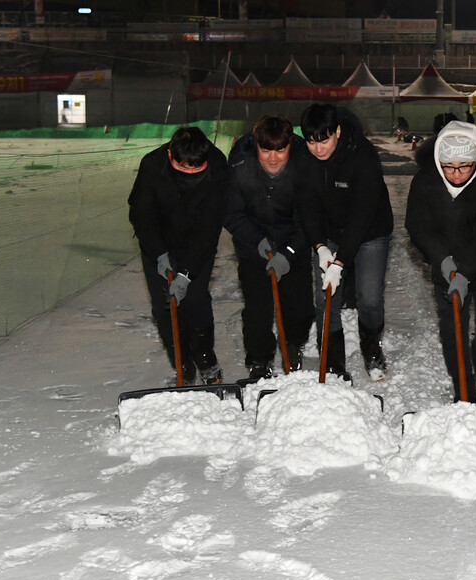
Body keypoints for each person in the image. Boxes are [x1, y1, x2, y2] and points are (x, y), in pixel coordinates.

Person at [405, 120, 476, 403]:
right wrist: (443, 261)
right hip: (447, 266)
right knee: (452, 330)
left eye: (464, 166)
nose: (456, 174)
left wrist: (465, 273)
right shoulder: (426, 180)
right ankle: (463, 391)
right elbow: (418, 225)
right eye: (449, 167)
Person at [295, 104, 394, 381]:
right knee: (325, 297)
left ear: (337, 131)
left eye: (324, 140)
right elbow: (306, 205)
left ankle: (372, 349)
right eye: (311, 142)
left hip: (370, 232)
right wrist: (320, 247)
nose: (318, 149)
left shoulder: (362, 156)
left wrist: (340, 262)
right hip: (328, 232)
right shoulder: (304, 157)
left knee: (369, 298)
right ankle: (333, 362)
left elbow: (362, 215)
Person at [128, 126, 228, 386]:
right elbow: (142, 215)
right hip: (159, 243)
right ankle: (183, 365)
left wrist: (186, 273)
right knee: (164, 308)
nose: (190, 174)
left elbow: (210, 225)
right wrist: (159, 254)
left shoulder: (217, 165)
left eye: (196, 169)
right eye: (184, 169)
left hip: (197, 243)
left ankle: (205, 358)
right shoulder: (152, 166)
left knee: (194, 301)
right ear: (171, 156)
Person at [225, 114, 315, 381]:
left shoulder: (305, 168)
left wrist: (287, 253)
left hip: (294, 245)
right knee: (257, 308)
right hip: (254, 245)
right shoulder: (240, 166)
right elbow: (232, 213)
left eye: (280, 150)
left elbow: (310, 217)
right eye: (266, 150)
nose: (273, 158)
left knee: (299, 308)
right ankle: (259, 359)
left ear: (289, 146)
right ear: (256, 147)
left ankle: (292, 345)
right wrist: (259, 243)